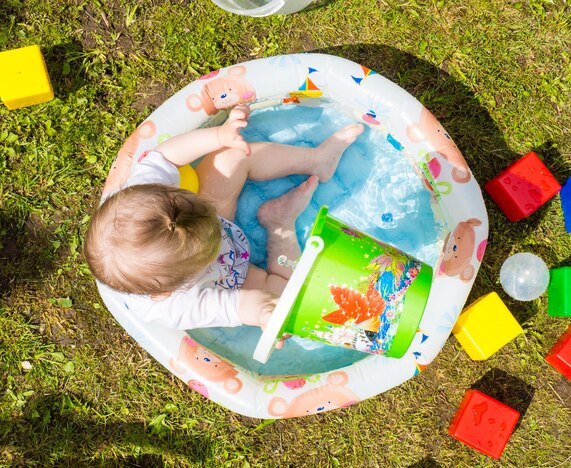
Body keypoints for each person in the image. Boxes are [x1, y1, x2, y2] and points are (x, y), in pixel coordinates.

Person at [85, 104, 363, 338]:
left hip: (215, 224)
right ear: (173, 286)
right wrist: (266, 312)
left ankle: (316, 161)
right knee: (287, 295)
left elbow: (165, 156)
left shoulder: (138, 202)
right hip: (228, 278)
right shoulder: (176, 306)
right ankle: (280, 222)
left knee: (233, 156)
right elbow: (240, 307)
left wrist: (220, 136)